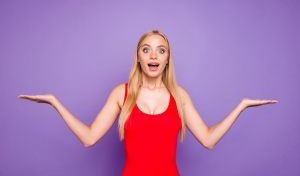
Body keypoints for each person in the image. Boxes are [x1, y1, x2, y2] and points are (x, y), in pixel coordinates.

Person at [18, 30, 278, 176]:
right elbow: (88, 138)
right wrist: (55, 103)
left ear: (167, 59)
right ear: (139, 57)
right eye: (146, 49)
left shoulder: (180, 96)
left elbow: (208, 140)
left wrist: (241, 106)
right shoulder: (122, 93)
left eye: (161, 50)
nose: (154, 55)